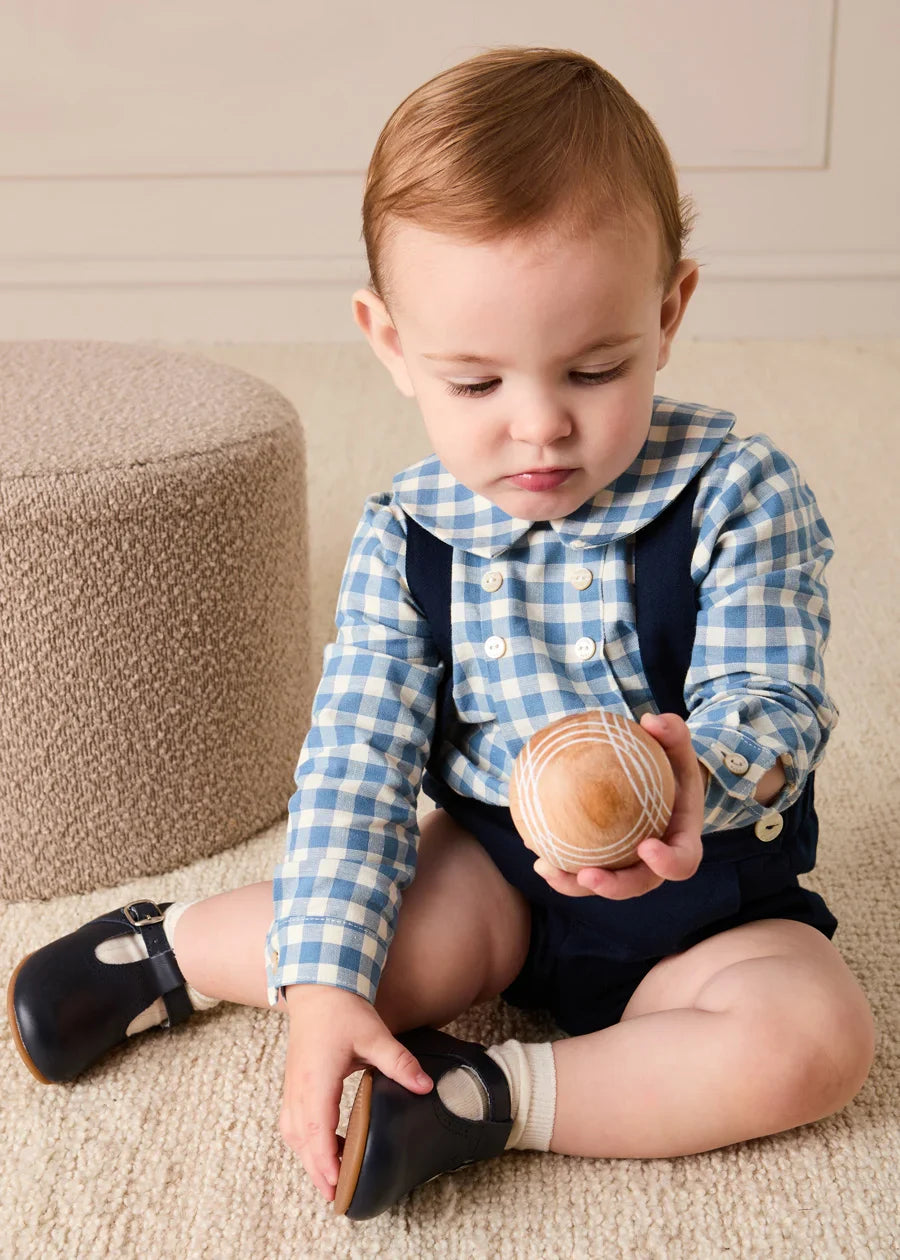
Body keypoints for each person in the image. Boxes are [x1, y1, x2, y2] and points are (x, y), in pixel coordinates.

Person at [8, 46, 875, 1221]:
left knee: (815, 1043)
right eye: (474, 383)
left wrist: (693, 774)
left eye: (594, 367)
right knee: (378, 955)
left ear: (668, 313)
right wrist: (321, 992)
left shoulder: (737, 493)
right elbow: (358, 768)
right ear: (389, 342)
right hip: (497, 873)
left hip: (710, 893)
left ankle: (483, 1098)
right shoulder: (409, 537)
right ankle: (174, 950)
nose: (538, 428)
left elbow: (775, 705)